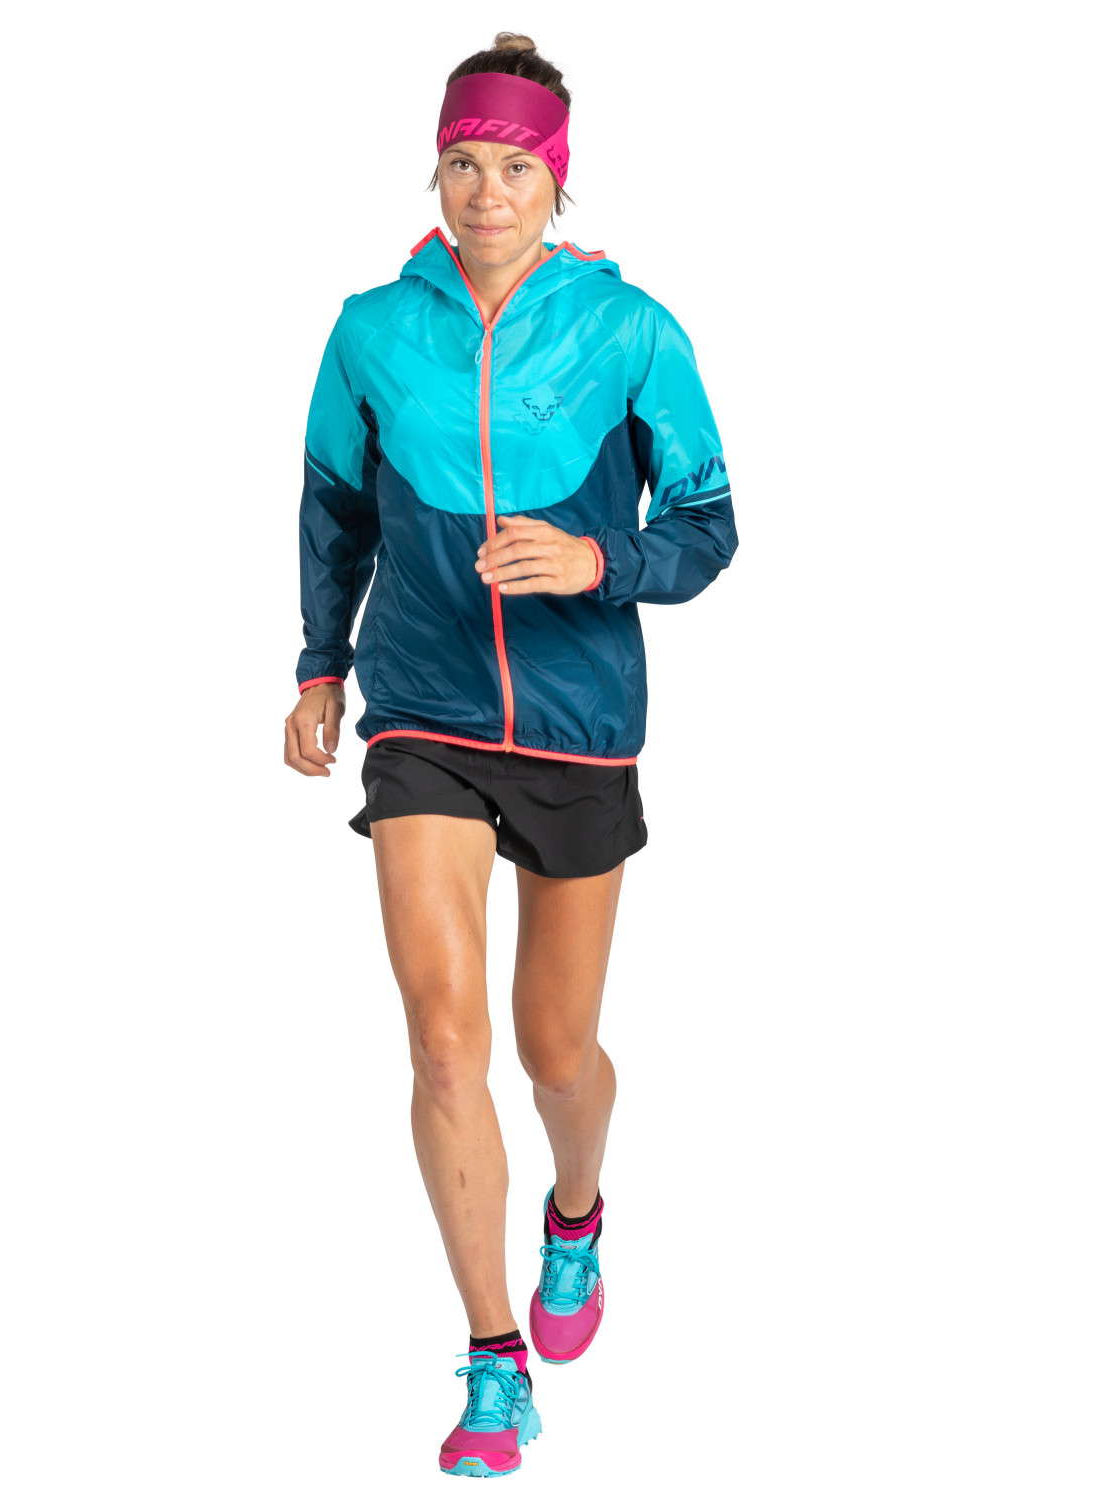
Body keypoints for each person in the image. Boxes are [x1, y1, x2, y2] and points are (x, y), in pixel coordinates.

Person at [284, 32, 739, 1478]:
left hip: (578, 722)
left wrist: (599, 559)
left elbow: (710, 526)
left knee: (554, 1052)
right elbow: (332, 511)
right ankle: (493, 1362)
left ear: (559, 182)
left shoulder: (631, 329)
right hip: (421, 712)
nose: (487, 192)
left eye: (515, 169)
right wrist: (320, 666)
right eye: (464, 165)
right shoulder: (370, 329)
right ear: (436, 172)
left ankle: (578, 1212)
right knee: (442, 1038)